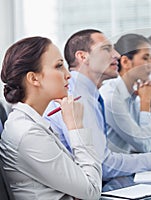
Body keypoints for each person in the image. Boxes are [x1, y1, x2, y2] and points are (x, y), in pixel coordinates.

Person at [45, 29, 151, 181]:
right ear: (83, 57)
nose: (116, 55)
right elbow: (103, 164)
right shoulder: (76, 97)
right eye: (106, 49)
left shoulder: (90, 94)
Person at [0, 37, 102, 199]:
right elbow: (92, 190)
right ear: (34, 78)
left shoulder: (32, 123)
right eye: (59, 66)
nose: (68, 75)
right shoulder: (27, 133)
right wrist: (76, 126)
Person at [100, 33, 151, 153]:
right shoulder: (111, 96)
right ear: (125, 62)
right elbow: (144, 146)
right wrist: (145, 103)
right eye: (145, 58)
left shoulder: (134, 95)